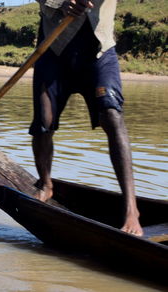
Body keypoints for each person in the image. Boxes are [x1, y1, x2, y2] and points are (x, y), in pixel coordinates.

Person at [30, 0, 143, 236]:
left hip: (98, 52)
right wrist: (60, 3)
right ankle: (46, 183)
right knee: (44, 122)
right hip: (54, 50)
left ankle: (131, 210)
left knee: (112, 116)